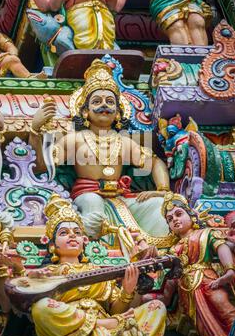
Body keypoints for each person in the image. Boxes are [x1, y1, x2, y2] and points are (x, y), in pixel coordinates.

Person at [12, 194, 171, 336]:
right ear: (52, 245)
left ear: (84, 241)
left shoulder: (98, 271)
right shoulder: (48, 273)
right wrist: (25, 273)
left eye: (77, 232)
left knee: (156, 307)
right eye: (64, 233)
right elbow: (22, 295)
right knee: (40, 308)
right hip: (71, 329)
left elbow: (117, 309)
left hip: (111, 325)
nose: (72, 236)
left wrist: (127, 291)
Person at [29, 58, 171, 243]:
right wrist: (35, 131)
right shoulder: (74, 139)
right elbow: (42, 167)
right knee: (94, 210)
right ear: (85, 111)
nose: (104, 105)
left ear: (118, 113)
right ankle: (86, 253)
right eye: (97, 101)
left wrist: (163, 190)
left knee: (159, 205)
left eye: (110, 101)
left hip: (120, 197)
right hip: (87, 195)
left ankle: (155, 252)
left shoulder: (125, 142)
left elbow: (155, 162)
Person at [162, 192, 235, 336]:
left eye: (179, 214)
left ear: (192, 216)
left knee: (223, 306)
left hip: (208, 279)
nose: (175, 220)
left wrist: (229, 270)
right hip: (186, 290)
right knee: (200, 324)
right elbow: (172, 277)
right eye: (170, 219)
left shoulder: (205, 234)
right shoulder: (173, 250)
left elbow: (221, 247)